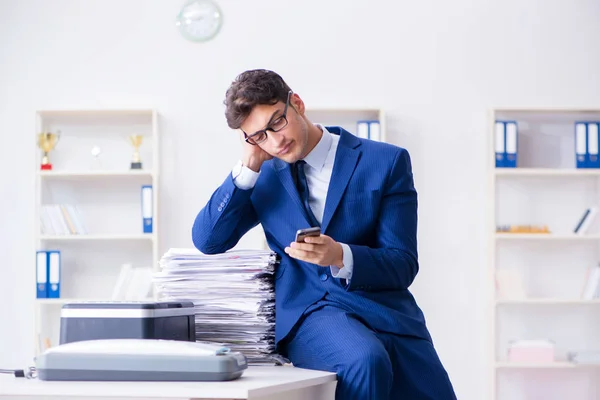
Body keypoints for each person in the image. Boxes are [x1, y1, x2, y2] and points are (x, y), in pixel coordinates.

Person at [192, 69, 457, 400]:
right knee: (366, 359)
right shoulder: (262, 174)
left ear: (297, 104)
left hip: (383, 308)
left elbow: (403, 263)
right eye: (258, 136)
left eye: (276, 123)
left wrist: (340, 256)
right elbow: (209, 241)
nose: (275, 141)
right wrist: (247, 167)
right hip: (309, 312)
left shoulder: (386, 162)